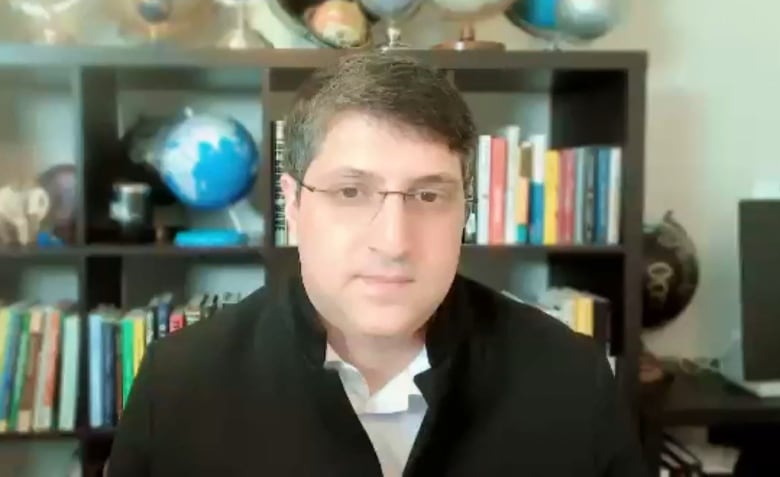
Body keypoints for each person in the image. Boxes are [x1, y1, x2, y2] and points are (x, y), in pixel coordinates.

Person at [107, 52, 649, 477]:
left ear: (467, 209)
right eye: (350, 191)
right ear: (293, 206)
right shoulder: (178, 385)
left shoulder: (573, 379)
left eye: (429, 196)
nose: (393, 241)